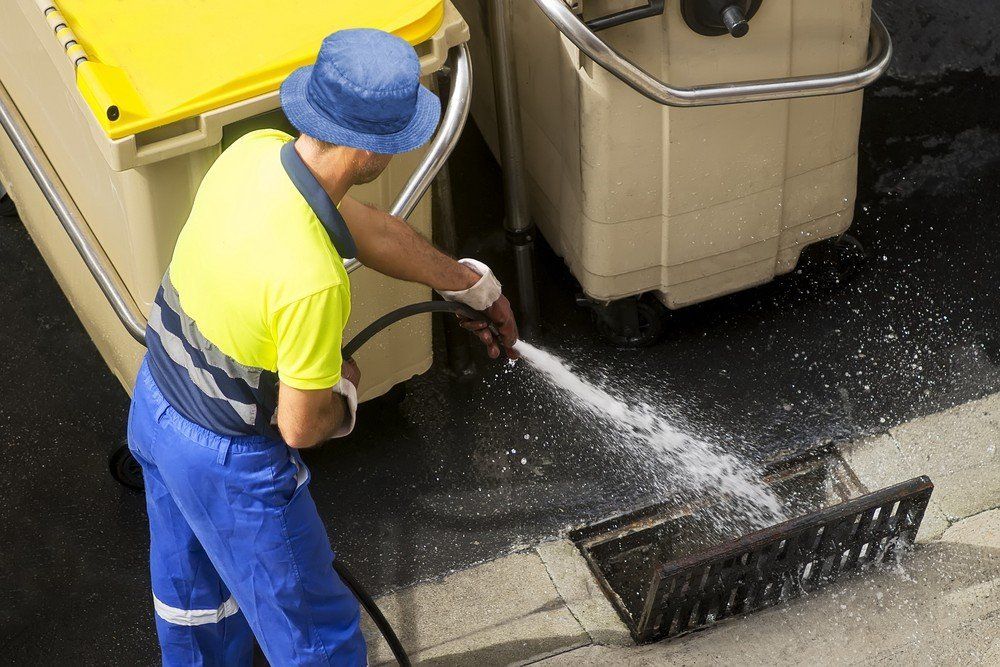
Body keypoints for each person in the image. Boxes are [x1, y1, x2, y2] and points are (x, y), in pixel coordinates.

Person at [126, 28, 519, 666]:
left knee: (197, 606)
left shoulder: (253, 153)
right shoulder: (311, 280)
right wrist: (346, 388)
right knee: (315, 638)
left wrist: (469, 284)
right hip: (228, 462)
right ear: (375, 151)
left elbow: (367, 229)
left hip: (156, 403)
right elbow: (301, 427)